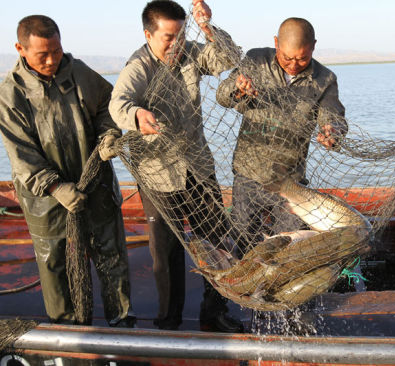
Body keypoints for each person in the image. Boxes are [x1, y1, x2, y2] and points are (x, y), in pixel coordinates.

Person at [109, 0, 242, 332]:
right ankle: (169, 321)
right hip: (157, 173)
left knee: (216, 242)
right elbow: (118, 102)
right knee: (166, 254)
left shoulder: (192, 52)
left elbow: (228, 57)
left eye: (181, 35)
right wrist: (137, 116)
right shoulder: (138, 66)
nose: (176, 44)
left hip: (197, 165)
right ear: (148, 34)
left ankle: (214, 312)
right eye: (168, 37)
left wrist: (208, 26)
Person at [0, 15, 135, 327]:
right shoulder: (10, 95)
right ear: (20, 49)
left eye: (57, 51)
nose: (51, 60)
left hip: (95, 185)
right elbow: (21, 154)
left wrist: (107, 136)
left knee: (111, 254)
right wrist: (54, 187)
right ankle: (66, 327)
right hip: (46, 200)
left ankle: (123, 320)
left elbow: (108, 106)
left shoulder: (78, 71)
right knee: (55, 263)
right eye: (42, 55)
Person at [216, 17, 348, 250]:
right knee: (243, 242)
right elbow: (222, 95)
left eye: (302, 58)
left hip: (291, 180)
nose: (294, 64)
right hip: (248, 173)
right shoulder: (255, 60)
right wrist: (237, 89)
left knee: (289, 245)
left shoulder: (325, 79)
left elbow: (333, 116)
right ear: (276, 43)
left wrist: (332, 132)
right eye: (287, 57)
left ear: (314, 46)